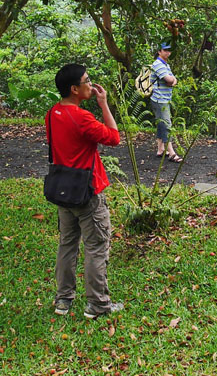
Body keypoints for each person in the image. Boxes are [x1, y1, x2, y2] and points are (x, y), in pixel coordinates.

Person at [47, 64, 124, 319]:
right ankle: (97, 304)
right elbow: (114, 137)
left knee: (67, 244)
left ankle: (63, 300)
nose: (90, 84)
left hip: (62, 190)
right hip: (87, 191)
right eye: (86, 81)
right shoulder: (81, 118)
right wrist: (103, 104)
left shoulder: (52, 114)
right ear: (74, 89)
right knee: (96, 246)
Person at [150, 42, 182, 162]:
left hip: (164, 98)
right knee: (166, 124)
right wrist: (171, 80)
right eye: (165, 50)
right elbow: (169, 79)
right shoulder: (158, 64)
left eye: (169, 50)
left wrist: (172, 81)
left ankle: (160, 149)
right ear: (159, 51)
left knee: (161, 123)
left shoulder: (165, 65)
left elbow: (173, 80)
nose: (168, 53)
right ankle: (172, 153)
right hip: (159, 99)